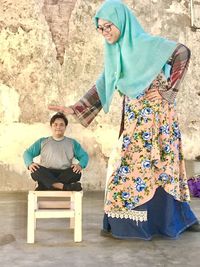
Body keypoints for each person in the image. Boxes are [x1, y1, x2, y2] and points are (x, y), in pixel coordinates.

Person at [49, 0, 199, 239]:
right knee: (128, 171)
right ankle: (128, 224)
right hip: (136, 125)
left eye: (109, 26)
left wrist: (168, 90)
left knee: (164, 168)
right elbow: (102, 86)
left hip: (161, 121)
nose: (105, 32)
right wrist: (73, 108)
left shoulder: (150, 45)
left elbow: (183, 52)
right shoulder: (116, 54)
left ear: (122, 22)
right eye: (100, 28)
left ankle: (173, 220)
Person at [23, 112, 89, 191]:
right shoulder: (42, 141)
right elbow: (27, 153)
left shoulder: (72, 143)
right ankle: (64, 187)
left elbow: (84, 156)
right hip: (46, 172)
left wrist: (80, 165)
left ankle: (45, 185)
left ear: (65, 127)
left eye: (61, 125)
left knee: (76, 173)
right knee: (35, 171)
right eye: (55, 124)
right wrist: (30, 164)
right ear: (51, 126)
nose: (58, 127)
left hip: (64, 173)